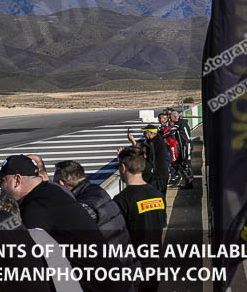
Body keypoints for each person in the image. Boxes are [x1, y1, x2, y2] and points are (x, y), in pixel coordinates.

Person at [0, 155, 128, 292]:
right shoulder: (53, 191)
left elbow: (25, 260)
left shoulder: (35, 206)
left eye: (3, 180)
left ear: (17, 180)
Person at [53, 161, 135, 269]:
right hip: (125, 261)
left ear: (62, 183)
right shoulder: (97, 191)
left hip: (111, 269)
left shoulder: (84, 206)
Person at [113, 147, 167, 292]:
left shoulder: (121, 200)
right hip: (154, 265)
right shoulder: (158, 195)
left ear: (123, 167)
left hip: (134, 267)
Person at [127, 124, 169, 196]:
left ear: (151, 133)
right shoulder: (157, 139)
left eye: (145, 132)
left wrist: (133, 142)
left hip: (158, 176)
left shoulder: (154, 143)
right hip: (162, 174)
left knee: (155, 196)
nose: (144, 134)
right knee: (160, 196)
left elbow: (143, 153)